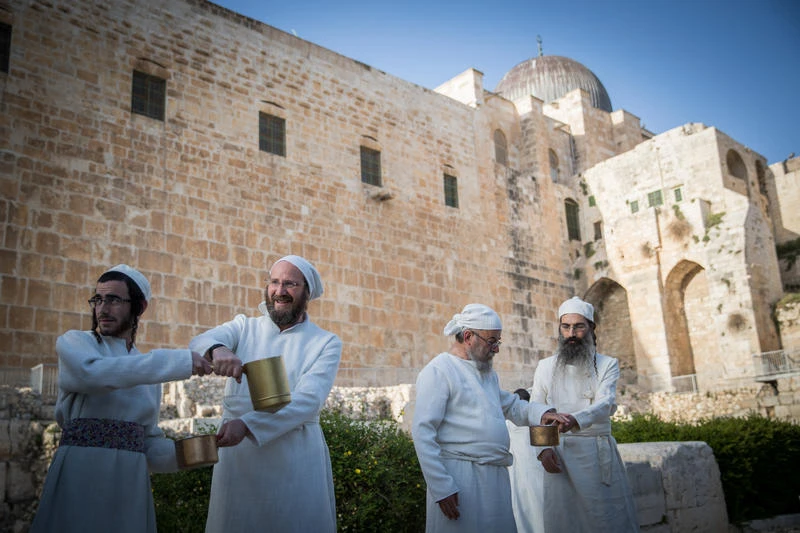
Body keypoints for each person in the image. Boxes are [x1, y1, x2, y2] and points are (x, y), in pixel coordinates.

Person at [30, 264, 213, 533]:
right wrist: (180, 361)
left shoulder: (147, 373)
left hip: (128, 490)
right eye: (98, 299)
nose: (102, 309)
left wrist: (207, 449)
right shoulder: (76, 344)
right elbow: (91, 374)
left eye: (113, 300)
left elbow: (149, 447)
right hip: (79, 479)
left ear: (139, 307)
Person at [190, 255, 342, 533]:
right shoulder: (244, 327)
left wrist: (247, 424)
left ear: (306, 292)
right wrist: (219, 349)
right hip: (240, 458)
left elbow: (308, 401)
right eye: (274, 282)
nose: (280, 291)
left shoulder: (326, 342)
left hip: (295, 457)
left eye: (290, 284)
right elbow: (200, 340)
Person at [411, 303, 566, 533]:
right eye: (491, 341)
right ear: (468, 336)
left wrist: (542, 414)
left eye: (497, 342)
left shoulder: (486, 375)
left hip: (494, 480)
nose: (496, 349)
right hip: (461, 479)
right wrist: (441, 487)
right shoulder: (439, 371)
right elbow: (423, 432)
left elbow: (511, 405)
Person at [508, 296, 639, 533]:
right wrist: (544, 450)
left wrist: (575, 420)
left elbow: (606, 403)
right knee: (563, 521)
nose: (571, 333)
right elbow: (536, 409)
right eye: (566, 326)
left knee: (606, 520)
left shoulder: (607, 364)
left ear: (591, 328)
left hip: (596, 456)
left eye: (579, 326)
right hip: (559, 455)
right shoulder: (545, 366)